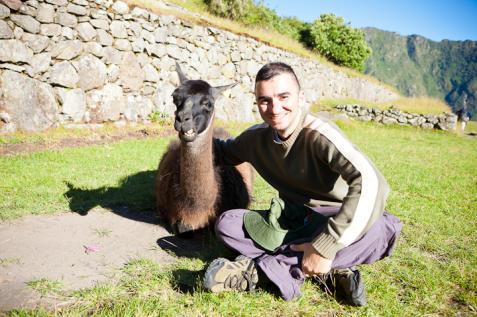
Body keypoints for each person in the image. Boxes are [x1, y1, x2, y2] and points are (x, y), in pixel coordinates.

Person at [204, 62, 402, 306]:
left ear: (301, 97)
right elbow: (222, 152)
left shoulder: (320, 134)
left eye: (283, 97)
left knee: (381, 228)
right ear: (257, 103)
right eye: (265, 100)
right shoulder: (255, 139)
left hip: (335, 219)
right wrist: (192, 130)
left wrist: (323, 247)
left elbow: (371, 182)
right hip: (294, 221)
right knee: (227, 224)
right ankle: (330, 271)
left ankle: (258, 272)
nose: (275, 108)